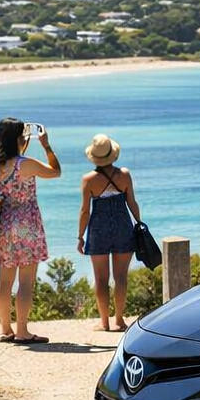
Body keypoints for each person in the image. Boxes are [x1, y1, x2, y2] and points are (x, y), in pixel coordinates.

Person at [0, 117, 60, 343]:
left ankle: (6, 330)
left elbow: (11, 163)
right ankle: (22, 332)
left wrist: (21, 146)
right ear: (18, 138)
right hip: (26, 224)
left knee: (4, 281)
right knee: (26, 281)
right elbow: (55, 171)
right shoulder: (26, 164)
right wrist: (46, 145)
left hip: (2, 224)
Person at [77, 133, 142, 332]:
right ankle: (120, 320)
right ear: (112, 155)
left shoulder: (88, 180)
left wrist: (80, 236)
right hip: (123, 226)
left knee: (100, 278)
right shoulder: (124, 175)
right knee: (121, 276)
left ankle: (104, 321)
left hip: (98, 229)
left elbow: (85, 211)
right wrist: (139, 224)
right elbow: (131, 202)